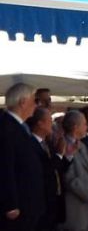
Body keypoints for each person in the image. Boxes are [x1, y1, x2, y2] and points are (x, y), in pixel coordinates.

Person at [0, 83, 45, 231]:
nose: (36, 105)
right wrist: (10, 204)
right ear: (23, 102)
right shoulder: (6, 127)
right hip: (18, 206)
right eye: (34, 100)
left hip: (28, 202)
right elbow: (4, 167)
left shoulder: (19, 127)